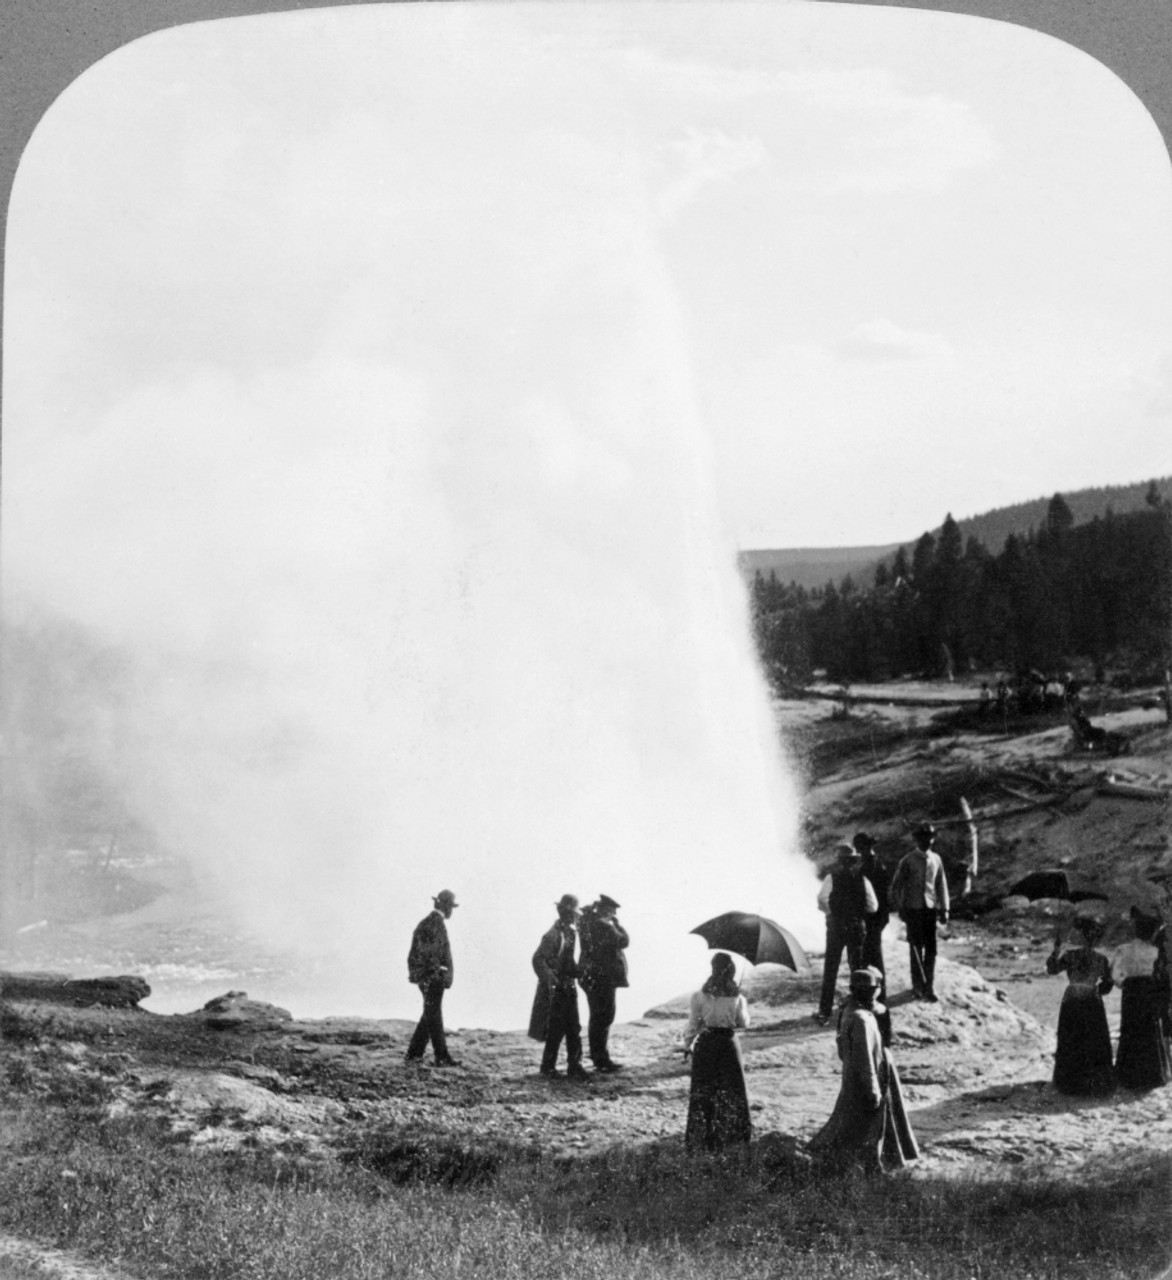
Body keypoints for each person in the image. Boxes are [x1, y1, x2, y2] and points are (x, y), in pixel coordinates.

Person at [808, 968, 918, 1173]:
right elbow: (865, 1058)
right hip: (869, 1077)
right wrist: (873, 1088)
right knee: (868, 1124)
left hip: (855, 1075)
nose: (874, 994)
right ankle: (868, 1165)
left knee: (858, 1120)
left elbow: (844, 1049)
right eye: (872, 990)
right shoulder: (860, 1020)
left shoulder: (848, 1011)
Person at [682, 952, 752, 1152]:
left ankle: (702, 1138)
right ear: (732, 971)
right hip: (728, 1044)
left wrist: (687, 1046)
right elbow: (743, 1023)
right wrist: (741, 1005)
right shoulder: (737, 996)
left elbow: (693, 1025)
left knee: (704, 1090)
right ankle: (735, 1137)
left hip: (706, 1045)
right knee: (733, 1090)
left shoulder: (698, 995)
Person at [1045, 915, 1114, 1096]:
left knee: (1071, 1038)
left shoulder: (1070, 955)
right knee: (1093, 1039)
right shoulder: (1101, 959)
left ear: (1082, 937)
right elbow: (1107, 986)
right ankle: (1093, 1082)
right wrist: (1096, 989)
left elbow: (1052, 970)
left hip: (1072, 996)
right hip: (1091, 997)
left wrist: (1056, 950)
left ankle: (1069, 1081)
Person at [814, 842, 879, 1025]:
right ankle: (859, 1009)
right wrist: (858, 913)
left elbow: (821, 900)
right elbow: (873, 906)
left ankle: (824, 1013)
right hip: (856, 927)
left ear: (840, 861)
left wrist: (831, 914)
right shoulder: (862, 879)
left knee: (831, 969)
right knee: (857, 969)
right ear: (854, 861)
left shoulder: (831, 878)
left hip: (836, 927)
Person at [529, 894, 591, 1081]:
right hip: (556, 990)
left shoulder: (570, 933)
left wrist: (579, 972)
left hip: (568, 987)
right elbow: (538, 960)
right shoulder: (553, 934)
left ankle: (574, 1066)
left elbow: (568, 963)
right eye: (572, 913)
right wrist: (552, 980)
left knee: (573, 1028)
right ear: (564, 912)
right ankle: (548, 1067)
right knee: (556, 1029)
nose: (574, 917)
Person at [1112, 908, 1172, 1090]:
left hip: (1131, 991)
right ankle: (1151, 1073)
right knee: (1149, 1029)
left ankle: (1126, 1073)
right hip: (1149, 990)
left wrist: (1124, 984)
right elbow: (1161, 974)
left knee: (1130, 1028)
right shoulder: (1155, 951)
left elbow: (1115, 974)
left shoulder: (1123, 949)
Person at [889, 824, 950, 1002]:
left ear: (933, 839)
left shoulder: (936, 859)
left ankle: (928, 986)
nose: (927, 841)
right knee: (916, 948)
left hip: (929, 910)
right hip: (912, 910)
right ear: (916, 840)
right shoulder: (907, 860)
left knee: (931, 950)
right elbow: (896, 887)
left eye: (930, 837)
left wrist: (945, 908)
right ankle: (917, 986)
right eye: (923, 838)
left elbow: (941, 884)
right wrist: (901, 908)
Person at [405, 889, 459, 1067]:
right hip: (431, 977)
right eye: (451, 906)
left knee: (430, 1013)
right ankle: (441, 1056)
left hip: (426, 975)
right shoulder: (435, 923)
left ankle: (414, 1053)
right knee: (434, 1014)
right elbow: (431, 954)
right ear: (444, 906)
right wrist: (438, 973)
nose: (452, 910)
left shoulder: (429, 922)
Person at [578, 894, 630, 1072]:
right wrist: (615, 923)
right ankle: (601, 1058)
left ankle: (598, 1055)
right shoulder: (603, 925)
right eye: (612, 911)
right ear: (605, 910)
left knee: (598, 1016)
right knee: (604, 1016)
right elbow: (624, 941)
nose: (613, 914)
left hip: (592, 976)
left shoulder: (587, 922)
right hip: (603, 978)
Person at [855, 831, 890, 974]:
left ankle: (880, 992)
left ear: (868, 847)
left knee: (873, 954)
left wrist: (881, 918)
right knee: (870, 953)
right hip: (871, 916)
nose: (859, 852)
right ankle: (875, 990)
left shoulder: (875, 867)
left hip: (875, 916)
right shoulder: (868, 865)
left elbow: (883, 896)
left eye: (861, 848)